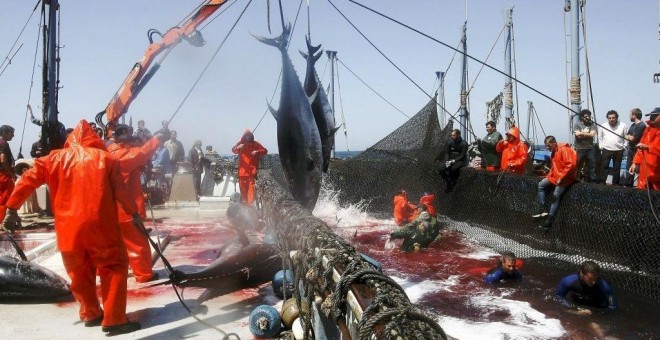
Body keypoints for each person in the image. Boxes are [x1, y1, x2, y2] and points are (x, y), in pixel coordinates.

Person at [1, 120, 142, 335]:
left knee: (79, 272)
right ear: (94, 139)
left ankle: (91, 313)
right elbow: (122, 192)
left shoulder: (52, 159)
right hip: (101, 227)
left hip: (68, 231)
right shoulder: (106, 159)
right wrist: (134, 213)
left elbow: (27, 180)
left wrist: (11, 208)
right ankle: (114, 320)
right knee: (113, 267)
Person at [107, 124, 165, 283]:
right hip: (128, 208)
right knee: (137, 243)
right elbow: (142, 154)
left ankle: (112, 273)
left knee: (114, 244)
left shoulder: (107, 153)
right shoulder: (124, 155)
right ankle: (144, 274)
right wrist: (157, 139)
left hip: (110, 209)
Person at [534, 135, 577, 229]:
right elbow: (554, 167)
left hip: (566, 178)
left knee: (555, 196)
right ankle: (543, 208)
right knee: (540, 185)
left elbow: (571, 164)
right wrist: (548, 176)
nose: (547, 148)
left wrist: (561, 177)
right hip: (555, 176)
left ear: (554, 143)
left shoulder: (564, 149)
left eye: (548, 146)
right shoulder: (553, 152)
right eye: (546, 146)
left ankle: (549, 220)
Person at [231, 129, 268, 204]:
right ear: (244, 136)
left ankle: (250, 208)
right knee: (243, 193)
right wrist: (238, 147)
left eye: (249, 135)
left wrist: (257, 151)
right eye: (246, 135)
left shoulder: (256, 144)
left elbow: (264, 151)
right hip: (242, 173)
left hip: (251, 173)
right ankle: (245, 209)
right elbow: (233, 150)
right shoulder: (240, 144)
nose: (248, 137)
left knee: (251, 193)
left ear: (252, 136)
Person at [629, 107, 660, 190]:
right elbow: (640, 147)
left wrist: (648, 148)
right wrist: (635, 162)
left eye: (655, 115)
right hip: (645, 169)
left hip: (657, 171)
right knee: (642, 192)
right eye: (650, 115)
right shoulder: (648, 129)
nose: (651, 117)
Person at [598, 110, 627, 185]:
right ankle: (602, 183)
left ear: (617, 118)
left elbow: (626, 137)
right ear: (607, 118)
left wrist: (624, 146)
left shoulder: (623, 125)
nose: (611, 119)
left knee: (617, 168)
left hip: (619, 150)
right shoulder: (603, 125)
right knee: (604, 167)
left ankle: (615, 184)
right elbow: (600, 137)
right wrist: (601, 147)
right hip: (606, 149)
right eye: (609, 118)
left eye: (613, 118)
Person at [624, 108, 647, 187]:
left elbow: (632, 138)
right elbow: (627, 135)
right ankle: (628, 186)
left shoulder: (642, 125)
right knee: (628, 169)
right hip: (630, 150)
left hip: (638, 152)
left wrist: (628, 136)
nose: (629, 116)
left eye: (630, 115)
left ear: (634, 115)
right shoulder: (633, 125)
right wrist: (628, 136)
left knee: (638, 170)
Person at [573, 109, 597, 182]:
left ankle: (591, 181)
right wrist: (587, 134)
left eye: (589, 116)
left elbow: (592, 134)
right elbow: (577, 134)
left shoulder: (592, 124)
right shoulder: (577, 124)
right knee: (578, 165)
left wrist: (582, 133)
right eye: (586, 116)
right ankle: (576, 179)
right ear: (582, 117)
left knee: (591, 165)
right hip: (580, 148)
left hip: (590, 148)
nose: (588, 118)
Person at [0, 125, 16, 224]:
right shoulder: (4, 144)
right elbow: (3, 160)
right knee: (5, 200)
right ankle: (2, 223)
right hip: (4, 175)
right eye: (11, 132)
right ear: (5, 133)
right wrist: (12, 175)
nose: (13, 135)